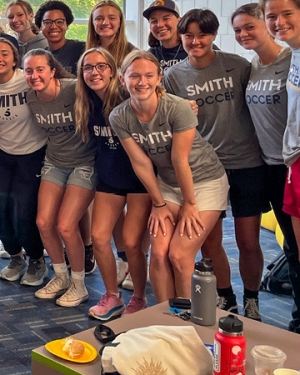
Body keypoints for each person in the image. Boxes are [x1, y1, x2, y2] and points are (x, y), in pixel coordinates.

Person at [164, 8, 266, 319]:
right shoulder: (173, 76)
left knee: (248, 241)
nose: (195, 41)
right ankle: (227, 296)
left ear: (213, 36)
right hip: (207, 169)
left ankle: (252, 299)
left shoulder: (238, 65)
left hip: (248, 164)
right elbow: (169, 124)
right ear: (181, 37)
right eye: (188, 35)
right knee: (210, 242)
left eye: (202, 35)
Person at [110, 50, 228, 303]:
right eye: (135, 76)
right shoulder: (120, 116)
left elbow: (179, 160)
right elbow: (140, 162)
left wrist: (190, 204)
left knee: (179, 255)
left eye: (149, 76)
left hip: (205, 182)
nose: (142, 82)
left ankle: (188, 321)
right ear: (123, 80)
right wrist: (159, 203)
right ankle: (166, 317)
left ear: (159, 78)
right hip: (168, 185)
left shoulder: (177, 108)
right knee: (160, 252)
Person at [76, 48, 149, 320]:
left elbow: (161, 99)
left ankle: (139, 298)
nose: (94, 72)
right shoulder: (86, 102)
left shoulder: (129, 98)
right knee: (98, 238)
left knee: (132, 244)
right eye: (88, 68)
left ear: (113, 71)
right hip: (108, 178)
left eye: (101, 66)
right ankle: (112, 296)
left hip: (139, 180)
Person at [25, 49, 96, 307]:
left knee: (66, 225)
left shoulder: (74, 89)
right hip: (54, 162)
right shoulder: (30, 98)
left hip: (85, 163)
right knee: (44, 222)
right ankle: (60, 277)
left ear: (52, 70)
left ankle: (79, 284)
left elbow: (110, 93)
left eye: (40, 69)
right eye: (29, 71)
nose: (34, 76)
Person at [0, 39, 48, 287]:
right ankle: (15, 257)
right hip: (0, 153)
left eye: (4, 54)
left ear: (15, 59)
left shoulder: (26, 78)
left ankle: (36, 259)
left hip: (32, 154)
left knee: (23, 213)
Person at [260, 0, 300, 333]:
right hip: (289, 162)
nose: (278, 21)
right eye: (271, 15)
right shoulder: (294, 56)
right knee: (295, 246)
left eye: (286, 13)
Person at [33, 0, 85, 74]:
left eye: (59, 22)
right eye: (47, 22)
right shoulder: (42, 56)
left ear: (67, 25)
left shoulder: (81, 49)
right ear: (40, 26)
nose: (53, 26)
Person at [87, 0, 136, 67]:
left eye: (112, 18)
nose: (105, 23)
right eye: (99, 18)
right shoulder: (83, 52)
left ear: (120, 22)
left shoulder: (133, 54)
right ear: (92, 23)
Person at [144, 0, 186, 71]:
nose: (160, 25)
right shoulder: (150, 55)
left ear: (179, 20)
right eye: (154, 21)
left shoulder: (192, 49)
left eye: (166, 18)